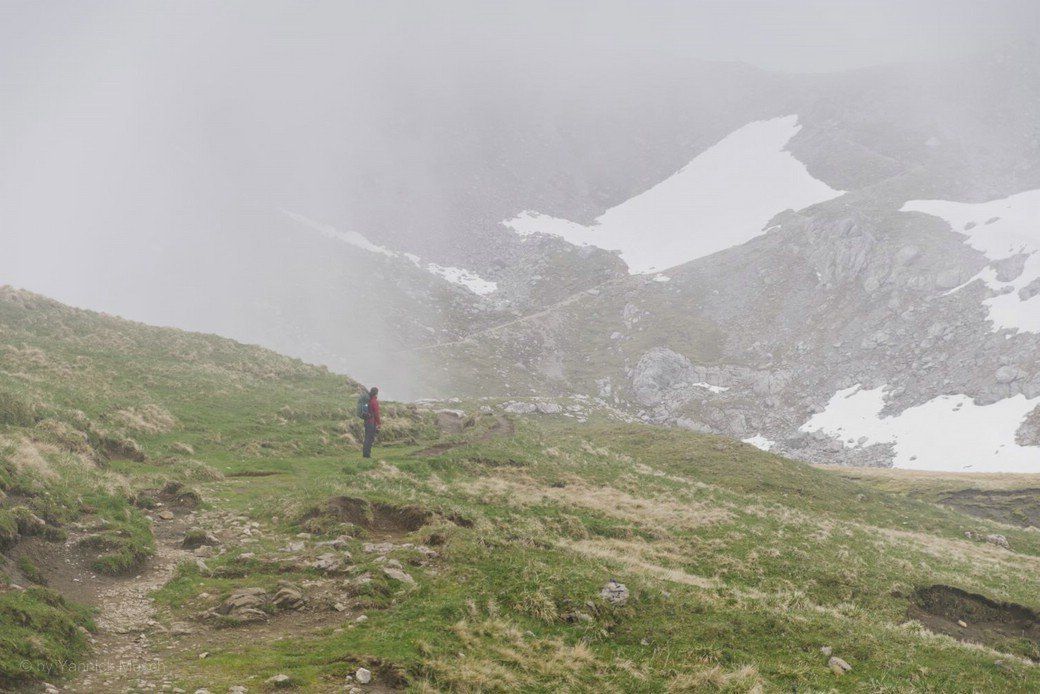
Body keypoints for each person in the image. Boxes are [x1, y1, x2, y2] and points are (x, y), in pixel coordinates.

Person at [362, 386, 381, 458]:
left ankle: (365, 454)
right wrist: (379, 423)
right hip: (371, 422)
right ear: (376, 393)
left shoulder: (368, 400)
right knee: (370, 438)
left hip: (366, 421)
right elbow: (376, 414)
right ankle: (367, 455)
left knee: (367, 438)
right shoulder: (374, 401)